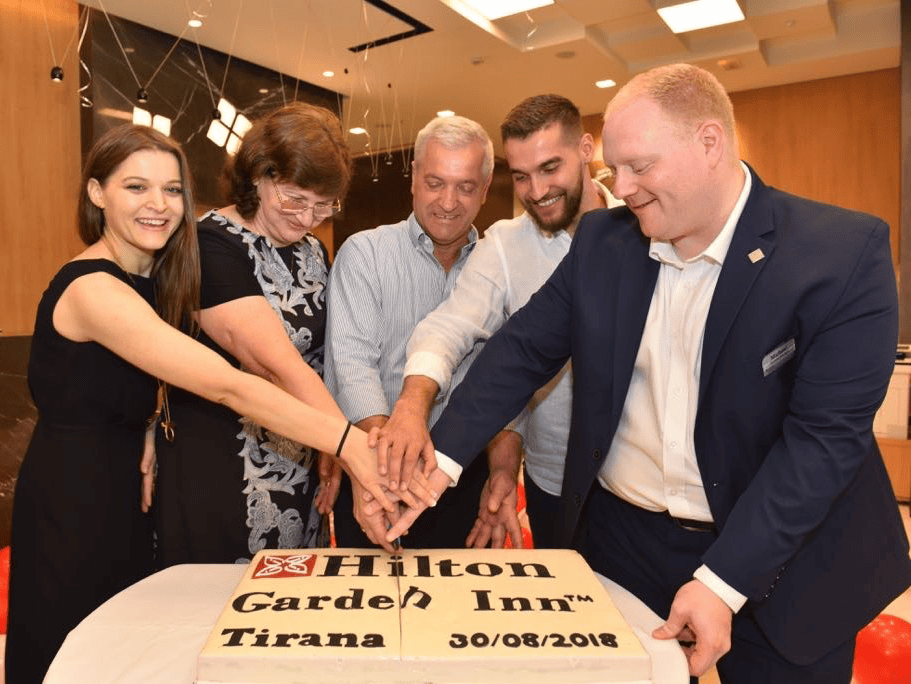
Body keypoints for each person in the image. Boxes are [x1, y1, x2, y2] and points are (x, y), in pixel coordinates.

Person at [387, 64, 911, 681]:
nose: (622, 187)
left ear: (710, 143)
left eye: (640, 166)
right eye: (614, 168)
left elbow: (823, 442)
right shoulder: (604, 244)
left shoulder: (841, 254)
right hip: (623, 545)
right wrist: (435, 466)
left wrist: (722, 582)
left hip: (783, 552)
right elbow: (520, 351)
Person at [5, 124, 394, 684]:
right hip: (77, 491)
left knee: (130, 652)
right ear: (96, 194)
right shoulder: (94, 286)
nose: (158, 205)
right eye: (136, 188)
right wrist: (346, 441)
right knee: (72, 645)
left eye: (172, 190)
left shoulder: (153, 276)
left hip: (130, 485)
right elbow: (227, 383)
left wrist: (146, 423)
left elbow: (131, 376)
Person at [376, 94, 622, 549]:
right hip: (554, 484)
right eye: (522, 176)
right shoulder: (505, 245)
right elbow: (452, 327)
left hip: (634, 483)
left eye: (551, 168)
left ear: (586, 149)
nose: (537, 191)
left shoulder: (640, 224)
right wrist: (413, 405)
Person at [154, 102, 351, 565]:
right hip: (224, 466)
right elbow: (274, 363)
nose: (307, 219)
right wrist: (346, 445)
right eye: (294, 199)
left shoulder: (313, 252)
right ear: (259, 175)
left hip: (301, 456)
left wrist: (329, 447)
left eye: (322, 205)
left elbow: (324, 359)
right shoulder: (207, 244)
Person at [324, 115, 501, 551]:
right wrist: (387, 466)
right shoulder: (365, 252)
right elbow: (351, 365)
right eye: (435, 182)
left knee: (460, 615)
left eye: (464, 186)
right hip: (375, 473)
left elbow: (509, 375)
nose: (448, 201)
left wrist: (501, 468)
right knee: (367, 613)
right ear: (414, 178)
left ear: (485, 187)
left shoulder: (500, 265)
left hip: (466, 479)